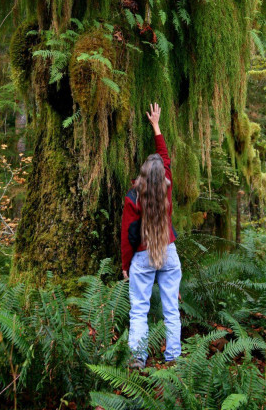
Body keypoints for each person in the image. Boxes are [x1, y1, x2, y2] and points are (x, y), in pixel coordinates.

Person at [121, 102, 182, 369]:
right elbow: (165, 158)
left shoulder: (133, 197)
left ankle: (137, 359)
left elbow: (127, 236)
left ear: (143, 174)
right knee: (171, 311)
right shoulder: (166, 187)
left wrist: (125, 265)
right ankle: (174, 360)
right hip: (168, 253)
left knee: (138, 311)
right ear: (162, 176)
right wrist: (156, 126)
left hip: (143, 258)